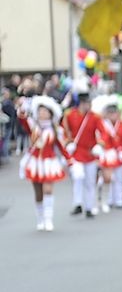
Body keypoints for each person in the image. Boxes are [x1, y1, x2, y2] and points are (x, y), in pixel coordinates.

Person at [19, 96, 69, 231]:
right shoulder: (33, 127)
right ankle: (40, 219)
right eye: (40, 111)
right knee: (38, 193)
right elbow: (22, 119)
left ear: (50, 114)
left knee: (48, 190)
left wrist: (69, 159)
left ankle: (48, 219)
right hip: (35, 163)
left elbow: (61, 146)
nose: (42, 113)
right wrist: (23, 107)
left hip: (49, 162)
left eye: (45, 111)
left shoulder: (55, 130)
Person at [62, 91, 102, 217]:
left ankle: (89, 207)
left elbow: (102, 133)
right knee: (78, 176)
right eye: (85, 103)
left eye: (89, 103)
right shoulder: (70, 115)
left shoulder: (95, 117)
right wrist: (68, 143)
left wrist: (99, 145)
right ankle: (78, 203)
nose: (87, 106)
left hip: (90, 153)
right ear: (80, 103)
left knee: (90, 182)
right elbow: (64, 131)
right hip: (76, 153)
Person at [96, 96, 122, 210]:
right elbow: (100, 138)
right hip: (108, 154)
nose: (113, 115)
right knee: (108, 178)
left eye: (115, 113)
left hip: (121, 154)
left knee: (119, 177)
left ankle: (118, 199)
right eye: (110, 113)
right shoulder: (103, 125)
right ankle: (108, 199)